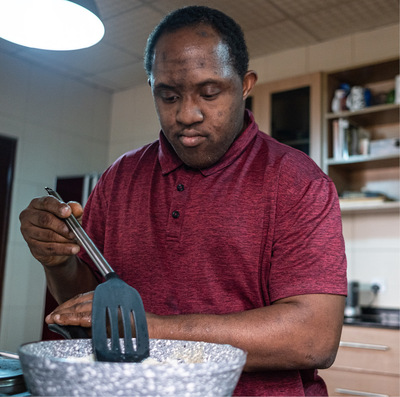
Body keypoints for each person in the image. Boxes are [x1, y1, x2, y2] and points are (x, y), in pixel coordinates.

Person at [19, 6, 347, 396]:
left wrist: (150, 328)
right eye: (169, 95)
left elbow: (313, 338)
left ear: (244, 85)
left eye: (209, 93)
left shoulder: (298, 181)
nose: (187, 114)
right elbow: (88, 306)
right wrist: (58, 261)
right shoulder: (119, 177)